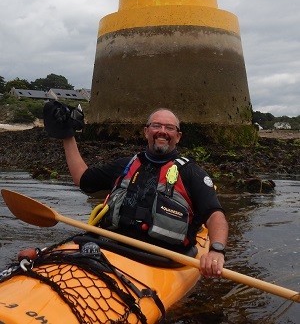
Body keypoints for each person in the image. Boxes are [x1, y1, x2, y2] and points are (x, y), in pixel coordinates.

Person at [43, 103, 228, 278]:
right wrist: (67, 136)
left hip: (161, 260)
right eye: (156, 125)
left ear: (178, 136)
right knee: (30, 256)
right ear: (146, 132)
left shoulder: (191, 173)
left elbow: (214, 214)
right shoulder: (125, 166)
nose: (162, 131)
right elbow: (82, 179)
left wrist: (216, 250)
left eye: (169, 128)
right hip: (109, 247)